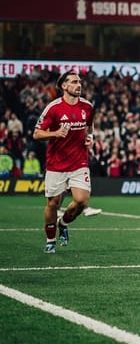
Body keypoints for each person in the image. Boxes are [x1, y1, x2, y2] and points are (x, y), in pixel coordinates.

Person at [32, 70, 95, 253]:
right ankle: (50, 240)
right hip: (56, 164)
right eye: (74, 82)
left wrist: (90, 137)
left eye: (79, 82)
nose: (79, 85)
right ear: (64, 86)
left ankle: (63, 223)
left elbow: (89, 127)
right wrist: (55, 133)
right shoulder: (53, 108)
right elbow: (36, 133)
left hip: (79, 162)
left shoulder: (87, 106)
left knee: (82, 201)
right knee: (52, 204)